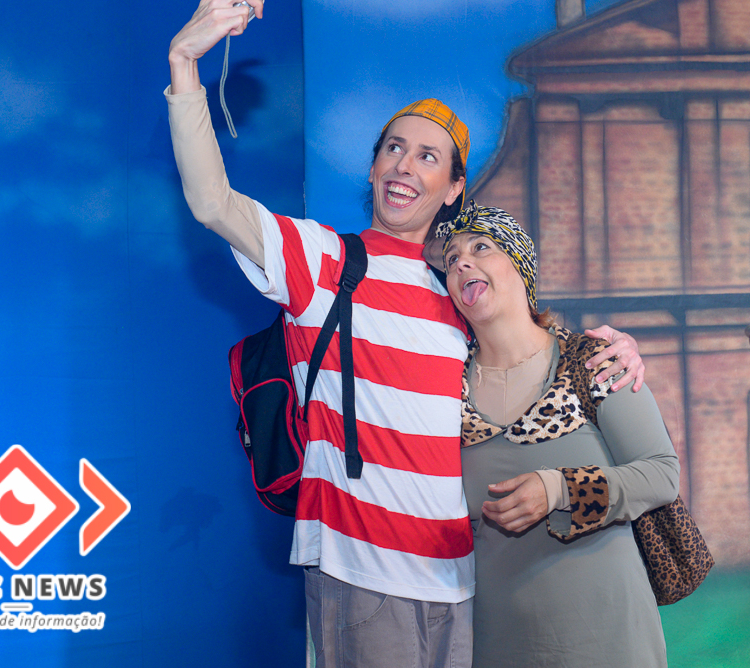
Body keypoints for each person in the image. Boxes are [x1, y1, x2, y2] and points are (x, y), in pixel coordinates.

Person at [165, 2, 646, 665]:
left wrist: (613, 352)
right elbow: (212, 201)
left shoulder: (461, 296)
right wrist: (184, 63)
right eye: (392, 148)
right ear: (372, 170)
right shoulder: (321, 261)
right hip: (361, 575)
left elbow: (535, 364)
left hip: (464, 580)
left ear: (452, 189)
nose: (404, 166)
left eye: (427, 156)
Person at [429, 203, 680, 668]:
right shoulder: (442, 389)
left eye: (480, 247)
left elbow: (661, 474)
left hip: (610, 642)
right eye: (451, 259)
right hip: (496, 646)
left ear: (521, 265)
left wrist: (560, 489)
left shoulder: (592, 360)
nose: (461, 263)